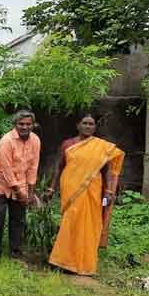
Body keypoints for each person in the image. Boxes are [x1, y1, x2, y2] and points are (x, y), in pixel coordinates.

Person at [46, 113, 124, 275]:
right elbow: (59, 167)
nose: (88, 126)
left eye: (91, 124)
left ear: (95, 127)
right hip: (71, 188)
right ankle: (62, 261)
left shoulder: (102, 147)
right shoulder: (67, 144)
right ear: (78, 125)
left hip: (92, 189)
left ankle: (84, 263)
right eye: (85, 123)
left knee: (89, 224)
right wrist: (51, 188)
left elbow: (108, 170)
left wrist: (109, 191)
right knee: (70, 223)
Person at [0, 110, 41, 260]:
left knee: (18, 218)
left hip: (22, 183)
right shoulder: (6, 141)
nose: (25, 127)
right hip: (1, 183)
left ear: (33, 125)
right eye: (21, 124)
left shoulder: (35, 140)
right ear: (15, 124)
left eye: (28, 124)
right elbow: (6, 169)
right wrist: (19, 192)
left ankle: (15, 251)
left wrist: (30, 193)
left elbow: (33, 167)